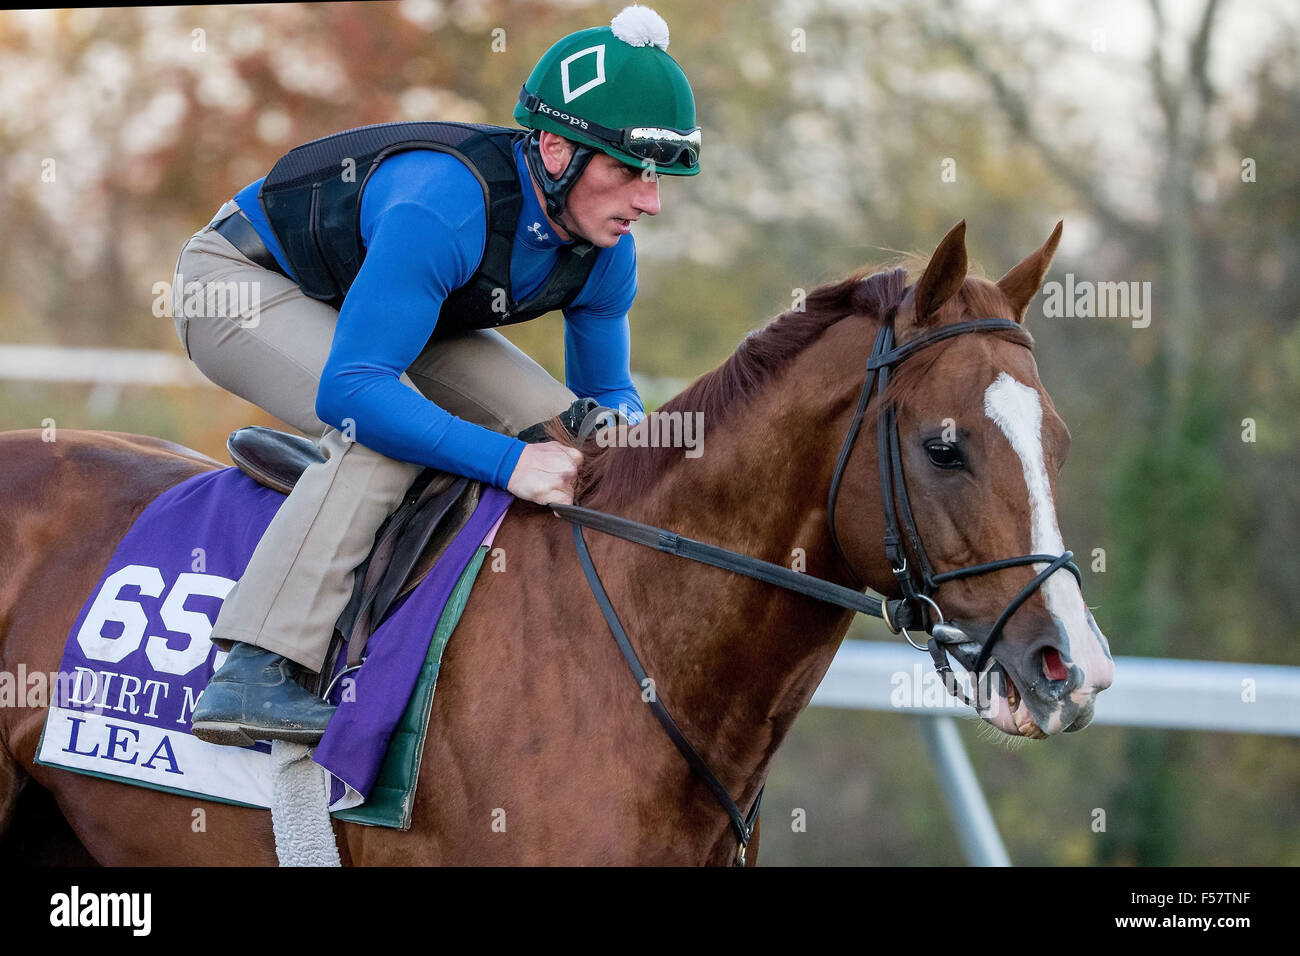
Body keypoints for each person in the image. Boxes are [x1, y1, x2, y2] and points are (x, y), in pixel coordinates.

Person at [170, 5, 700, 746]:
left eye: (657, 177)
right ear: (555, 150)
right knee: (384, 435)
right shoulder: (443, 203)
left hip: (385, 306)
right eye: (629, 172)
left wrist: (645, 458)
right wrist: (510, 461)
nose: (650, 201)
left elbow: (603, 403)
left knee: (573, 437)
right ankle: (255, 666)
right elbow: (353, 392)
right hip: (238, 284)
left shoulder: (608, 247)